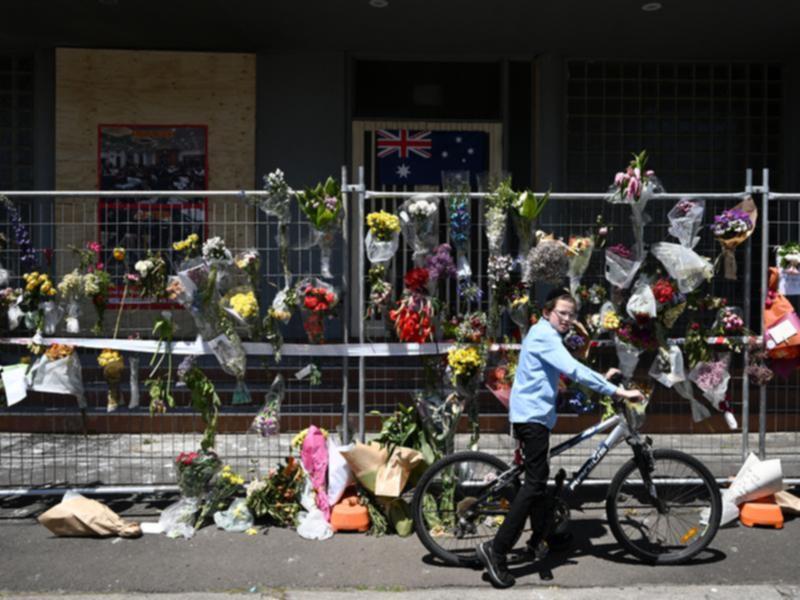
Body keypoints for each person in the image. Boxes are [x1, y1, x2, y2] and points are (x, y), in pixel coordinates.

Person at [477, 289, 644, 588]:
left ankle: (549, 534)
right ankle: (497, 549)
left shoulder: (548, 336)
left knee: (539, 478)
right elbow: (572, 368)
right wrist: (617, 391)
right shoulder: (544, 336)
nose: (567, 319)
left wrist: (602, 379)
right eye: (562, 313)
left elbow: (565, 370)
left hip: (535, 415)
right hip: (532, 418)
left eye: (571, 314)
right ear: (546, 312)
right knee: (535, 483)